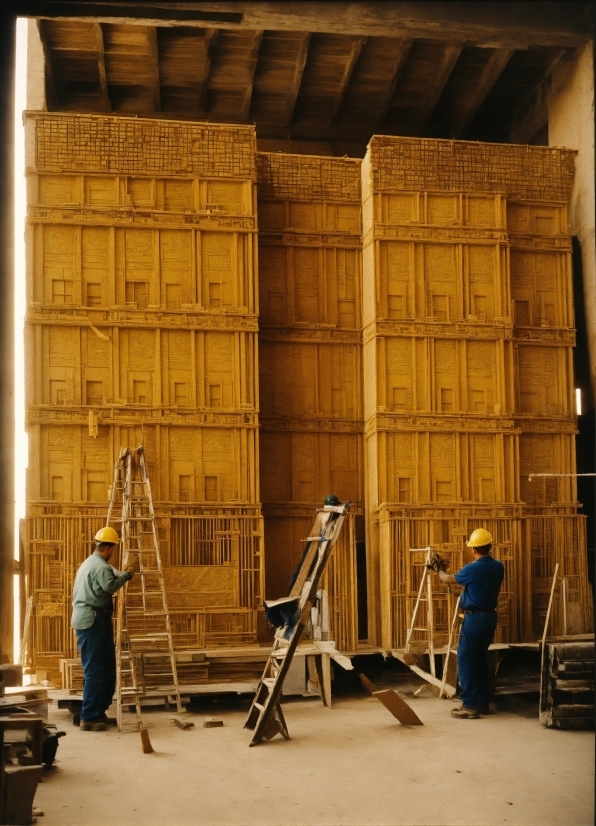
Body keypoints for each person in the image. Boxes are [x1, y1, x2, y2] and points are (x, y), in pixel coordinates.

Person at [71, 527, 138, 731]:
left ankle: (98, 712)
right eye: (114, 548)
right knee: (95, 670)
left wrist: (121, 572)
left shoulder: (92, 563)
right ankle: (89, 716)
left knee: (107, 669)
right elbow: (110, 586)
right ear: (109, 547)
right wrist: (128, 574)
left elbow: (109, 576)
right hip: (93, 620)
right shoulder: (100, 567)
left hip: (95, 619)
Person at [437, 528, 504, 719]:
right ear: (490, 546)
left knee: (466, 660)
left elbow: (448, 579)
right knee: (479, 660)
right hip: (490, 617)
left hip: (475, 619)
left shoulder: (472, 568)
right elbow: (478, 588)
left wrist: (439, 569)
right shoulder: (498, 566)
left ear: (474, 549)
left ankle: (470, 705)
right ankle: (482, 703)